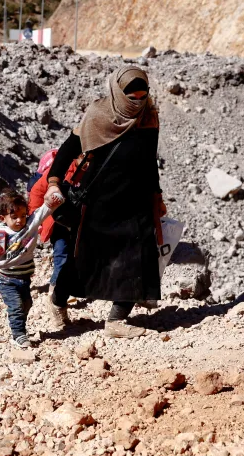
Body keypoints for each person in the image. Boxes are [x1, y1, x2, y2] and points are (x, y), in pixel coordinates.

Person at [44, 66, 166, 339]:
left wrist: (157, 196)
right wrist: (53, 182)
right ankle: (57, 301)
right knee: (84, 259)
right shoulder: (98, 115)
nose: (137, 99)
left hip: (136, 201)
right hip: (98, 202)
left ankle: (116, 320)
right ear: (118, 92)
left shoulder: (149, 117)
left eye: (142, 93)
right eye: (131, 94)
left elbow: (150, 162)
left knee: (139, 258)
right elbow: (68, 150)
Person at [0, 191, 63, 348]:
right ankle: (18, 334)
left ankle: (17, 324)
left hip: (24, 277)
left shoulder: (30, 225)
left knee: (26, 304)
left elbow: (43, 211)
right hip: (5, 278)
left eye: (23, 215)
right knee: (16, 306)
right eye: (14, 217)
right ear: (2, 218)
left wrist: (53, 201)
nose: (20, 220)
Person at [28, 152, 86, 316]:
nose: (88, 163)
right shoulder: (60, 170)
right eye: (85, 159)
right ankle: (55, 294)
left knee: (75, 258)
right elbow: (37, 192)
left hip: (79, 224)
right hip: (57, 222)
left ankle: (61, 292)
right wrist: (36, 218)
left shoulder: (94, 172)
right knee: (62, 256)